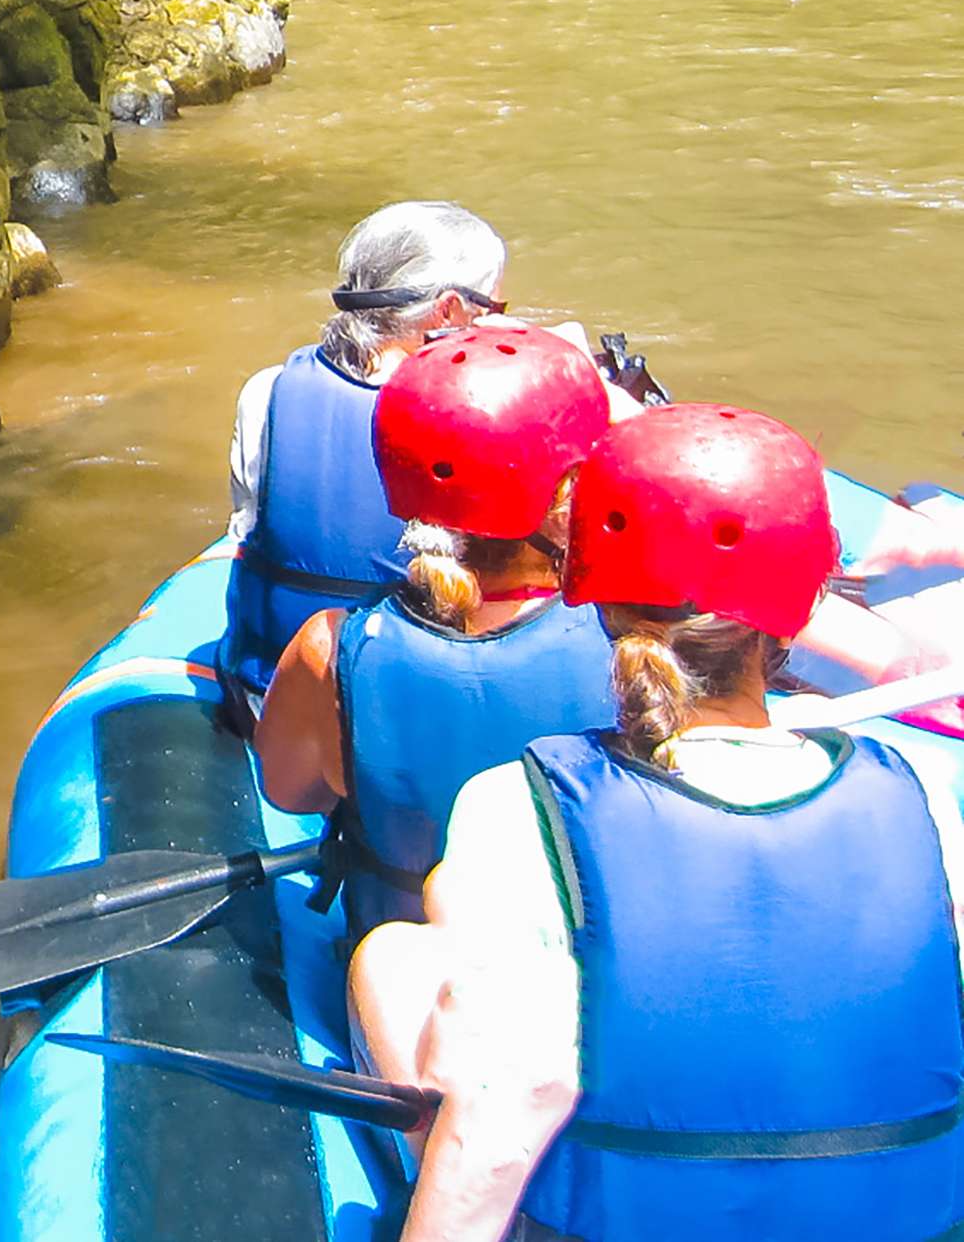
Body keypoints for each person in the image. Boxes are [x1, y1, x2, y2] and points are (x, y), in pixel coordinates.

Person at [350, 404, 964, 1242]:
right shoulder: (922, 789)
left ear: (596, 597)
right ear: (797, 611)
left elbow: (515, 1096)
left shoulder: (518, 801)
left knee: (394, 958)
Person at [255, 323, 617, 933]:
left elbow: (290, 794)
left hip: (409, 963)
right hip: (588, 971)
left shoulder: (330, 648)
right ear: (570, 497)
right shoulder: (633, 641)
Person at [224, 200, 511, 709]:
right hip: (401, 704)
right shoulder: (479, 417)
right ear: (449, 311)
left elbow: (247, 525)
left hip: (268, 691)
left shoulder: (267, 391)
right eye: (494, 308)